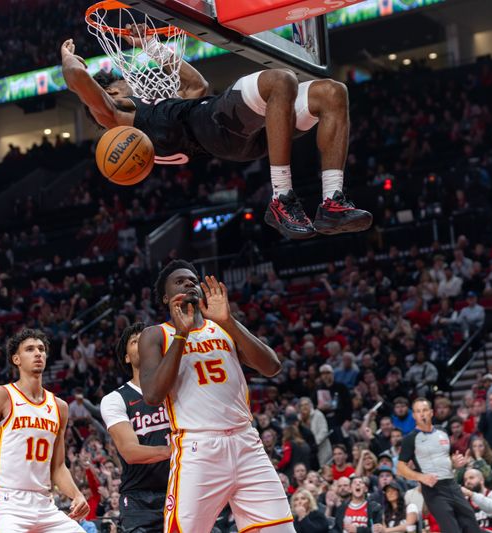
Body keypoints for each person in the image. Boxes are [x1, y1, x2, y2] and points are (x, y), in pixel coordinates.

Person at [60, 37, 371, 240]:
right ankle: (281, 199)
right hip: (216, 123)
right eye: (122, 82)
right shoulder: (115, 114)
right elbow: (78, 80)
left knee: (331, 93)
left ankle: (332, 203)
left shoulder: (153, 115)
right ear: (112, 91)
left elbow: (196, 85)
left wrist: (150, 45)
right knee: (281, 80)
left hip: (239, 140)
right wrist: (68, 58)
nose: (131, 82)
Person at [137, 260, 294, 533]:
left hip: (247, 443)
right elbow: (152, 395)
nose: (189, 283)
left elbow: (272, 367)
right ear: (165, 297)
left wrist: (229, 320)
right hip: (199, 447)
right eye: (180, 281)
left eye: (193, 280)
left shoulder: (223, 326)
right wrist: (182, 336)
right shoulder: (156, 335)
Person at [0, 329, 90, 532]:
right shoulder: (2, 395)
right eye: (30, 349)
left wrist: (76, 494)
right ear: (17, 359)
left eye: (41, 349)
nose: (38, 353)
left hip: (43, 503)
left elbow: (57, 467)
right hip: (6, 502)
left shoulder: (59, 407)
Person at [100, 322, 171, 533]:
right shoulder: (115, 399)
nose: (142, 342)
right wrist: (178, 449)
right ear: (127, 357)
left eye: (148, 337)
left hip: (182, 487)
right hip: (140, 498)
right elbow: (130, 452)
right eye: (134, 341)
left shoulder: (177, 389)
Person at [397, 397, 480, 533]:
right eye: (418, 411)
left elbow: (443, 458)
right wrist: (421, 477)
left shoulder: (442, 431)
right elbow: (400, 468)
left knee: (472, 526)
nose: (422, 414)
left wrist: (454, 463)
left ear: (431, 413)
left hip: (452, 485)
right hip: (434, 490)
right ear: (414, 415)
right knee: (451, 530)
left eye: (424, 410)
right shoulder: (410, 439)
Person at [461, 468, 492, 533]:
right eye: (465, 480)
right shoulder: (465, 502)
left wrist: (472, 495)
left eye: (471, 478)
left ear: (481, 480)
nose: (468, 482)